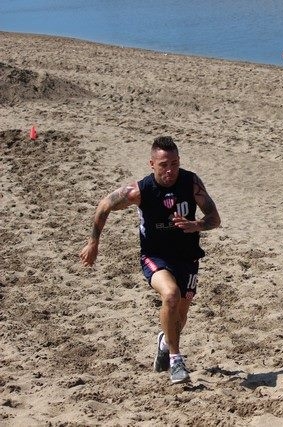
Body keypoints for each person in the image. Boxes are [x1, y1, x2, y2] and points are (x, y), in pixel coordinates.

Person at [79, 136, 221, 384]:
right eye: (164, 165)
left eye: (174, 164)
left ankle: (165, 342)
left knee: (180, 318)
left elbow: (214, 218)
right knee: (171, 295)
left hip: (188, 257)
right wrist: (93, 243)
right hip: (155, 257)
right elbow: (104, 206)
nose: (170, 170)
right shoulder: (140, 191)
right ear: (152, 164)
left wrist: (196, 224)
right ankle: (176, 361)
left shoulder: (191, 182)